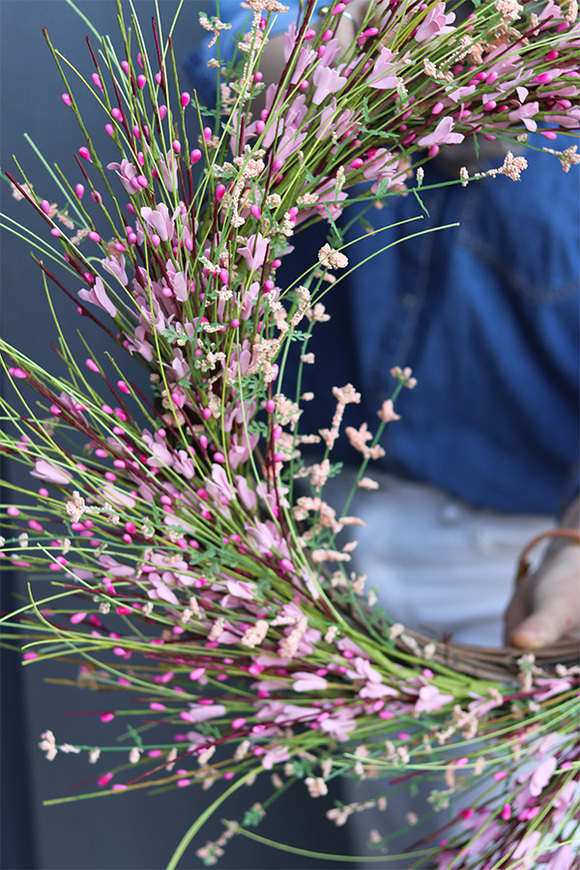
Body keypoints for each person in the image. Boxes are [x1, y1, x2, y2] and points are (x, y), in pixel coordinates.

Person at [186, 0, 580, 861]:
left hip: (526, 554)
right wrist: (389, 62)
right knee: (391, 840)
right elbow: (220, 62)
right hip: (316, 528)